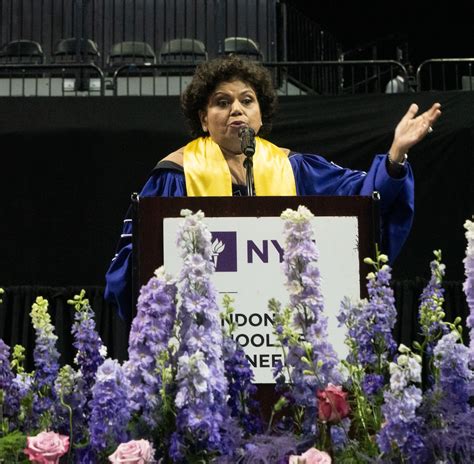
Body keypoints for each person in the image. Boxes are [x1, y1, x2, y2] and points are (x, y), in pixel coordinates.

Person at [105, 55, 442, 320]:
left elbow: (363, 201)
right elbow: (135, 266)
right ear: (204, 119)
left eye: (247, 100)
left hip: (284, 328)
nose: (236, 109)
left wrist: (396, 155)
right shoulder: (174, 175)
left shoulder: (295, 168)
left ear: (261, 114)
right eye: (222, 102)